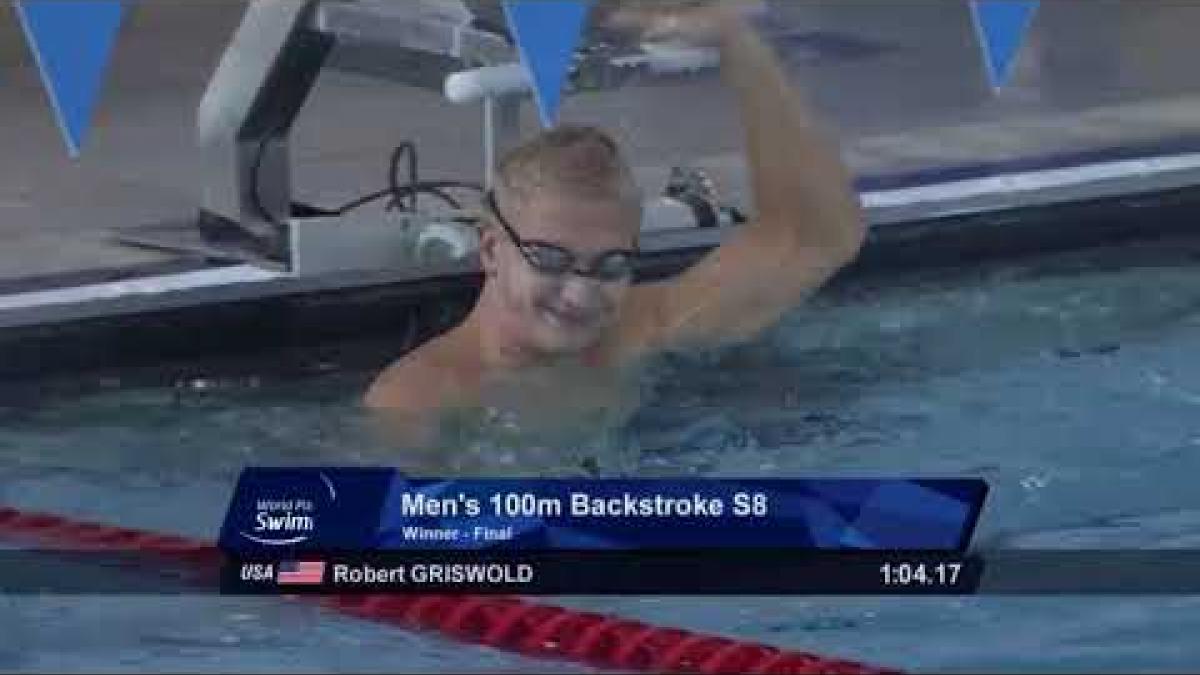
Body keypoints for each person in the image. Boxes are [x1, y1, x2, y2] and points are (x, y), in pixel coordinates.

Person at [365, 3, 864, 447]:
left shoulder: (636, 330)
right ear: (492, 250)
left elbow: (820, 238)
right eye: (551, 259)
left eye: (610, 265)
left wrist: (738, 44)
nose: (580, 295)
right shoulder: (418, 401)